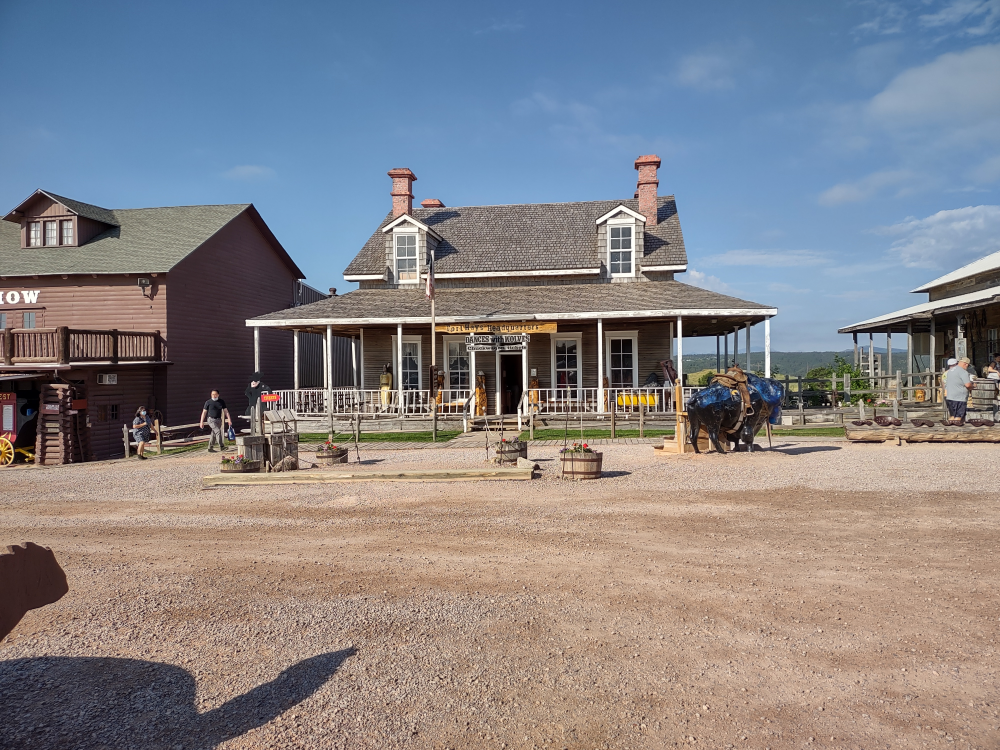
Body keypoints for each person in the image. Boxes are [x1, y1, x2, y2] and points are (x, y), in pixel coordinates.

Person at [944, 357, 973, 425]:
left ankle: (949, 431)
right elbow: (968, 385)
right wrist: (973, 386)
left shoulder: (950, 371)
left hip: (950, 397)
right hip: (960, 398)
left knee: (952, 416)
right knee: (958, 417)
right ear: (965, 364)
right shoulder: (963, 372)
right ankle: (958, 432)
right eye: (968, 365)